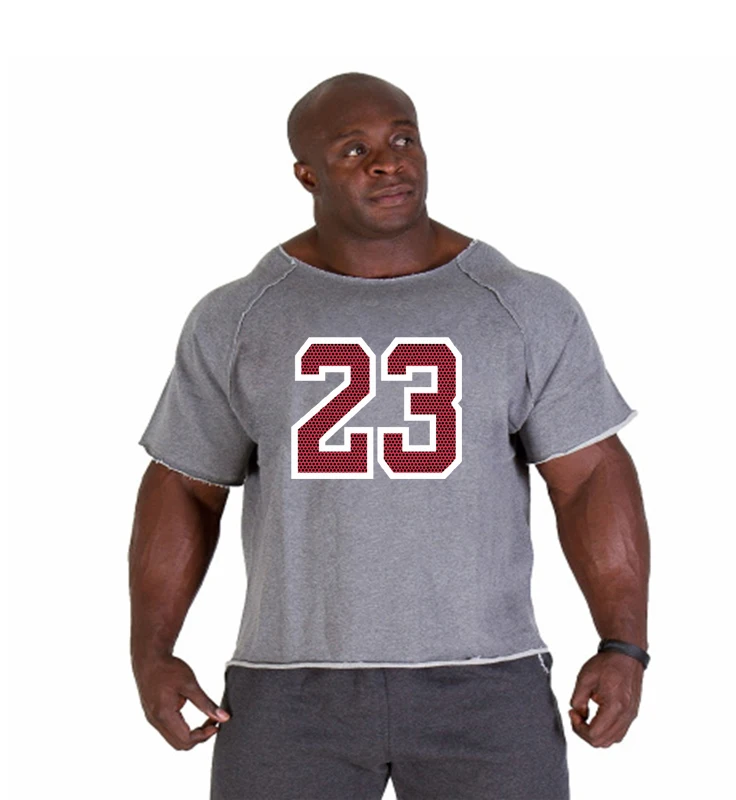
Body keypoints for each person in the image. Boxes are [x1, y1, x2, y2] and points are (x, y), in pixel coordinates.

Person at [129, 71, 650, 800]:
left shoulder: (521, 307)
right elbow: (186, 485)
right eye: (355, 150)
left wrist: (623, 644)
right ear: (306, 174)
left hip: (487, 684)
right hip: (289, 690)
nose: (387, 162)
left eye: (403, 139)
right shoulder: (240, 317)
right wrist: (152, 652)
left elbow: (589, 476)